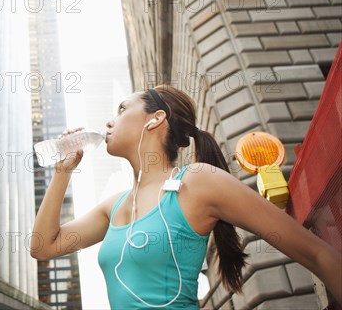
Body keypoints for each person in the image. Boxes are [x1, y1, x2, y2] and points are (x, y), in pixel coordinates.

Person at [30, 85, 342, 309]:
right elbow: (44, 246)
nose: (110, 121)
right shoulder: (114, 206)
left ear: (155, 119)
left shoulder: (196, 181)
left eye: (123, 109)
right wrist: (63, 172)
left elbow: (316, 253)